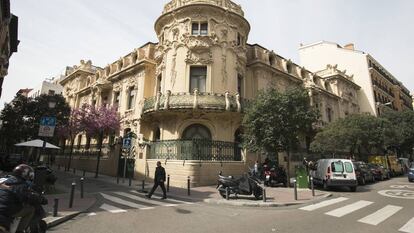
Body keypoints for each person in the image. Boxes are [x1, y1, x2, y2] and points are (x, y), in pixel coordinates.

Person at [0, 164, 46, 233]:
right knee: (31, 209)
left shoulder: (4, 180)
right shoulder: (22, 184)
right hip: (6, 210)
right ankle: (19, 231)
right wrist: (41, 199)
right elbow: (29, 196)